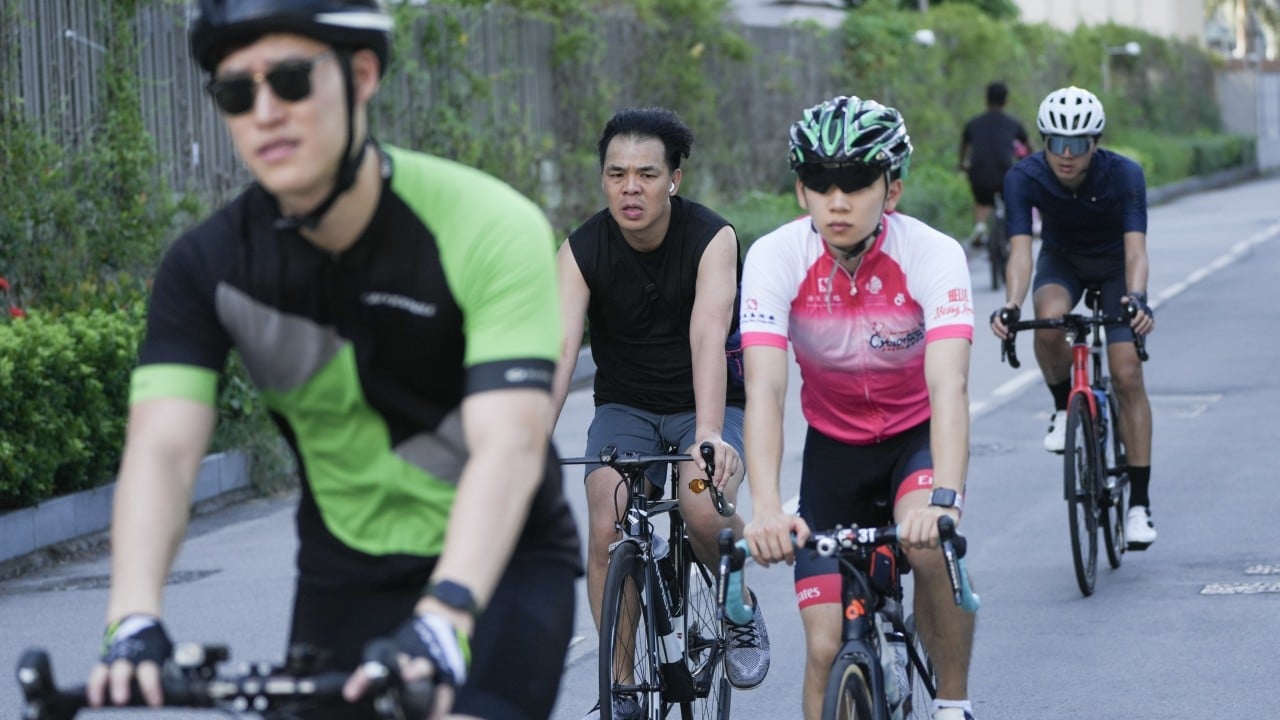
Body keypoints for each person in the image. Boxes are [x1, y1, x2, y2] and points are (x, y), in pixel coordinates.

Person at [85, 2, 581, 719]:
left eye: (290, 81)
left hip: (501, 565)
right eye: (236, 91)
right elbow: (162, 451)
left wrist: (446, 612)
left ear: (363, 75)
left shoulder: (488, 225)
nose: (265, 111)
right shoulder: (207, 268)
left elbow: (510, 441)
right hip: (343, 574)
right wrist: (133, 619)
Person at [741, 95, 979, 720]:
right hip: (833, 456)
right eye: (820, 183)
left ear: (891, 190)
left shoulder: (932, 254)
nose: (837, 200)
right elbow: (764, 389)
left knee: (930, 548)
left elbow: (949, 386)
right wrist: (765, 509)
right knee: (824, 647)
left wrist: (946, 498)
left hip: (913, 440)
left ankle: (953, 705)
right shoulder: (775, 258)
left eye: (855, 183)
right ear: (801, 191)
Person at [550, 106, 770, 719]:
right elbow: (561, 349)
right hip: (625, 406)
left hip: (708, 403)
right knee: (605, 523)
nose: (630, 188)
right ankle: (620, 687)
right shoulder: (581, 249)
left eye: (646, 174)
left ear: (674, 176)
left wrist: (707, 433)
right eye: (616, 173)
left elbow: (708, 334)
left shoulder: (711, 237)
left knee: (702, 507)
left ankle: (738, 608)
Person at [990, 85, 1157, 549]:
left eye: (1078, 144)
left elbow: (1136, 250)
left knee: (1127, 373)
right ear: (1042, 141)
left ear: (1095, 143)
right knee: (1048, 324)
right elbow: (1021, 253)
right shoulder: (1023, 177)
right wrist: (1011, 304)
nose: (1066, 155)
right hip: (1063, 262)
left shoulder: (1125, 174)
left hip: (1115, 267)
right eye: (1056, 144)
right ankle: (1065, 407)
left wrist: (1138, 298)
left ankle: (1140, 505)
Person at [959, 81, 1030, 247]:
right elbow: (1028, 147)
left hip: (979, 174)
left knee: (981, 200)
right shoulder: (1013, 124)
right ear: (1006, 101)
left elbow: (964, 148)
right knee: (1011, 199)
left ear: (986, 100)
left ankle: (980, 226)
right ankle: (1012, 232)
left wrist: (963, 164)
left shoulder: (973, 123)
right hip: (1006, 173)